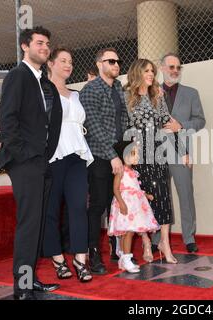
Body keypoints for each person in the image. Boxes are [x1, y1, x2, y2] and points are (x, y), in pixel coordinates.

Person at [0, 26, 61, 300]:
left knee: (37, 224)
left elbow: (51, 121)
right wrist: (24, 155)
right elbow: (7, 119)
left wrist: (46, 154)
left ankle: (31, 279)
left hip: (42, 161)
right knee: (28, 224)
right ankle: (22, 286)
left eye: (47, 43)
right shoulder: (17, 76)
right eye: (39, 43)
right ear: (25, 46)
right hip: (25, 162)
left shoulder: (43, 82)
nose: (45, 47)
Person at [125, 58, 189, 264]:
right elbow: (123, 126)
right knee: (143, 199)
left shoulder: (157, 96)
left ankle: (164, 244)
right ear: (137, 73)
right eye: (146, 71)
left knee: (163, 197)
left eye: (152, 71)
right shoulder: (127, 95)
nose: (151, 74)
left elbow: (167, 123)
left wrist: (183, 150)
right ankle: (145, 241)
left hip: (157, 152)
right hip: (136, 155)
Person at [42, 47, 94, 283]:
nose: (68, 64)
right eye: (62, 60)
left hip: (77, 157)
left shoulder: (76, 94)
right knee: (51, 211)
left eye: (70, 61)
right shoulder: (42, 91)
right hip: (52, 158)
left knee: (78, 208)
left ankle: (80, 259)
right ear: (50, 64)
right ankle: (58, 259)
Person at [79, 48, 129, 274]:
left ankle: (117, 250)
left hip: (119, 152)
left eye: (118, 61)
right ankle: (93, 253)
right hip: (100, 155)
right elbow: (94, 126)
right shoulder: (90, 89)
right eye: (111, 61)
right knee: (98, 205)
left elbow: (124, 120)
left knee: (115, 203)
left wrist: (128, 149)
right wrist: (112, 156)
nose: (116, 64)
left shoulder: (118, 87)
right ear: (100, 64)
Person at [156, 53, 206, 253]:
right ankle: (156, 237)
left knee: (185, 194)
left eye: (178, 67)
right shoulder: (151, 92)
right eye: (171, 67)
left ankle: (189, 237)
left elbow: (200, 121)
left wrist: (181, 126)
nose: (175, 70)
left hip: (181, 152)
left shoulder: (191, 93)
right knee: (159, 195)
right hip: (155, 151)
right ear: (162, 68)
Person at [108, 141, 160, 272]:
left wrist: (146, 195)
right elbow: (115, 189)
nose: (137, 156)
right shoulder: (121, 171)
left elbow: (135, 188)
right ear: (124, 156)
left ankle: (124, 260)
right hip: (126, 206)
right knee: (128, 233)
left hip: (135, 206)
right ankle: (126, 259)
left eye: (137, 154)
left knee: (130, 232)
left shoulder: (133, 172)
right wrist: (121, 203)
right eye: (134, 154)